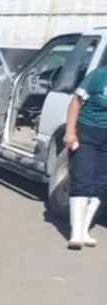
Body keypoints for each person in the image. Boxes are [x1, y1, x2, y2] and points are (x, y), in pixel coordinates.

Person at [63, 65, 107, 250]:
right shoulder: (99, 75)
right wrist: (69, 132)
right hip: (87, 130)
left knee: (101, 182)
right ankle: (76, 233)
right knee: (83, 178)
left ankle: (85, 229)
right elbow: (76, 102)